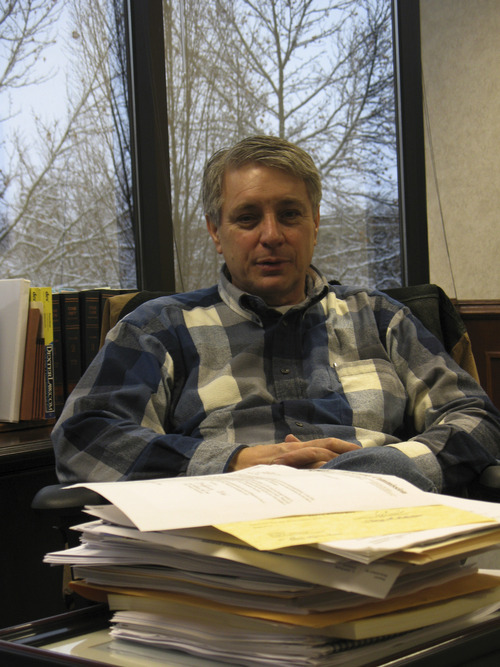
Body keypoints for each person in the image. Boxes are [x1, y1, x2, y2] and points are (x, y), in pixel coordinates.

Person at [52, 135, 500, 493]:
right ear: (215, 230)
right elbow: (83, 437)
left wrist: (379, 470)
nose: (272, 235)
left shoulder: (383, 319)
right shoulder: (158, 328)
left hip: (383, 525)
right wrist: (237, 463)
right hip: (226, 540)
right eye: (247, 218)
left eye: (290, 214)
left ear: (316, 221)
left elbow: (474, 420)